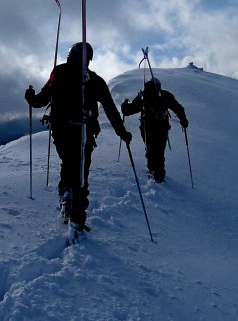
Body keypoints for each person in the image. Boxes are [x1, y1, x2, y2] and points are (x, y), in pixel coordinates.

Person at [25, 42, 132, 243]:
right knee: (81, 173)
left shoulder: (59, 73)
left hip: (60, 129)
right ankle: (77, 222)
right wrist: (122, 132)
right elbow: (109, 108)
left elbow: (40, 100)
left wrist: (30, 98)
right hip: (84, 130)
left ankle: (66, 191)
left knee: (69, 161)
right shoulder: (94, 80)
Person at [121, 77, 188, 183]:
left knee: (151, 148)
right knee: (159, 150)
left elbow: (129, 111)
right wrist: (183, 120)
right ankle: (158, 173)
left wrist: (124, 106)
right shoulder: (164, 95)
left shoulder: (143, 96)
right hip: (161, 126)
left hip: (147, 126)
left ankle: (153, 169)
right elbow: (178, 108)